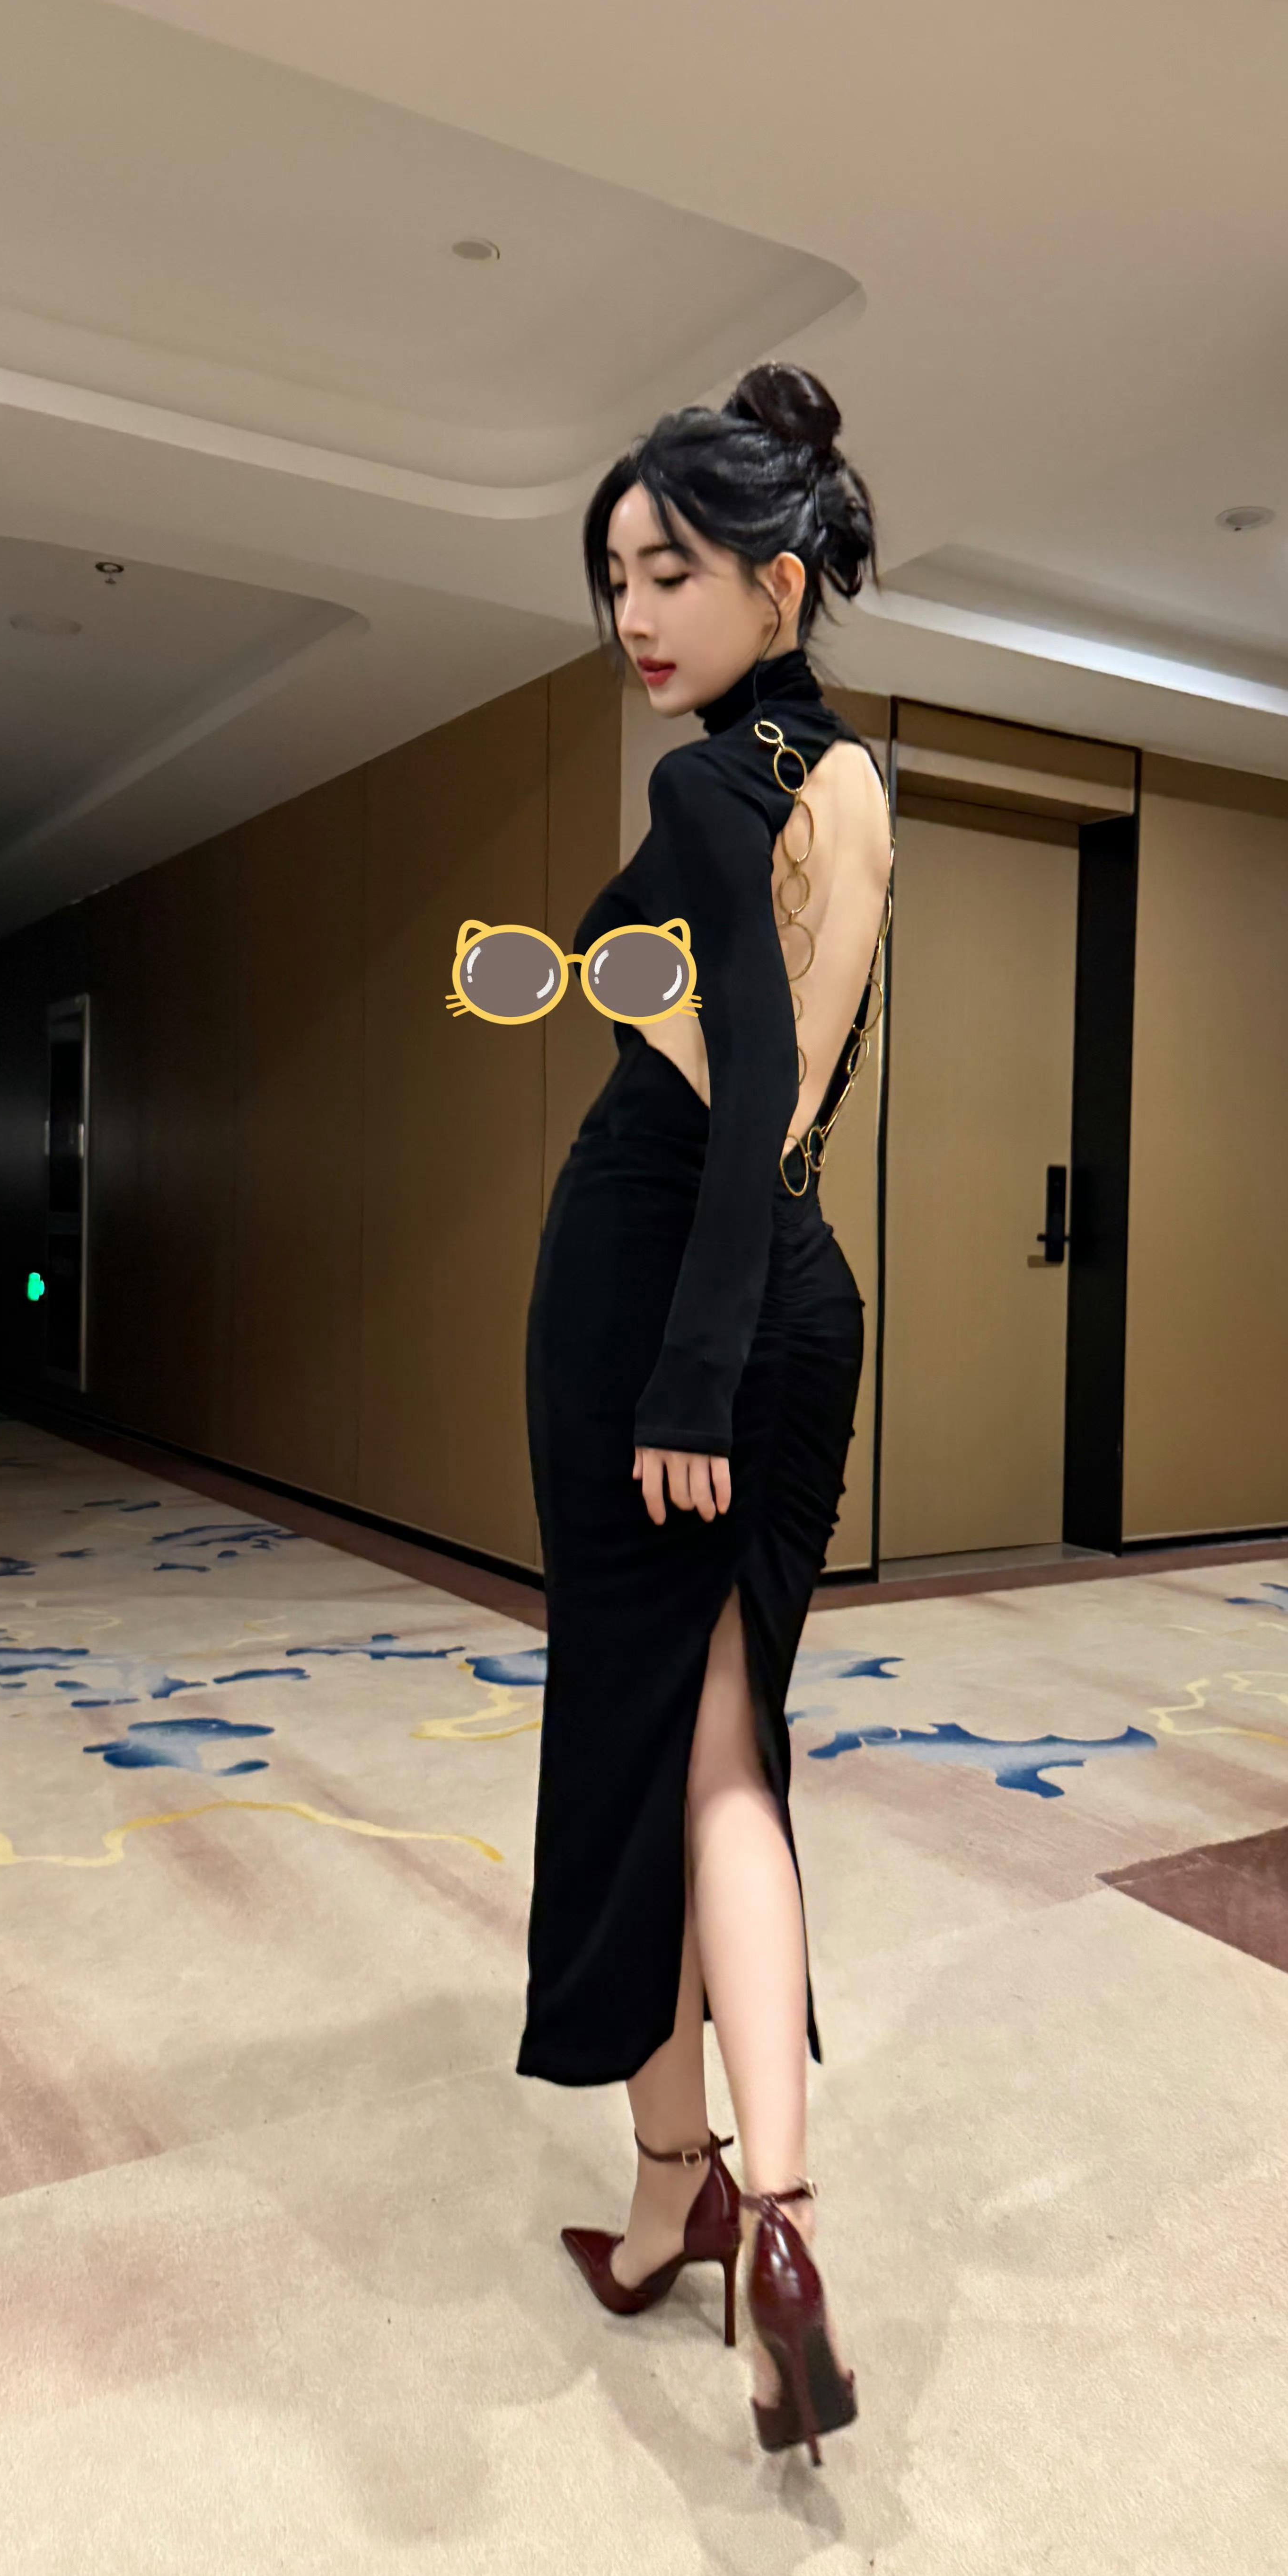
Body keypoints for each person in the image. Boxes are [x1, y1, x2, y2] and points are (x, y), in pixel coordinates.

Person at [516, 361, 891, 2465]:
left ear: (780, 578)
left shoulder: (703, 788)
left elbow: (745, 1078)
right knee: (726, 1752)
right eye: (613, 577)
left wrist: (678, 1365)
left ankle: (690, 2193)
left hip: (668, 1295)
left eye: (671, 570)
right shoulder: (848, 778)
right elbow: (791, 1075)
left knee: (638, 1750)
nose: (633, 612)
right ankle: (763, 2215)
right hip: (796, 1293)